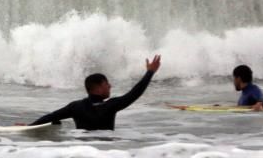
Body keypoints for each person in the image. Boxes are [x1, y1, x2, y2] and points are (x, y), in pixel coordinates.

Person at [27, 55, 162, 131]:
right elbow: (135, 93)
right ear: (97, 88)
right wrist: (150, 72)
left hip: (83, 151)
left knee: (56, 121)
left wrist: (29, 126)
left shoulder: (75, 107)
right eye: (106, 84)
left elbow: (50, 117)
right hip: (105, 152)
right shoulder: (110, 106)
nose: (110, 86)